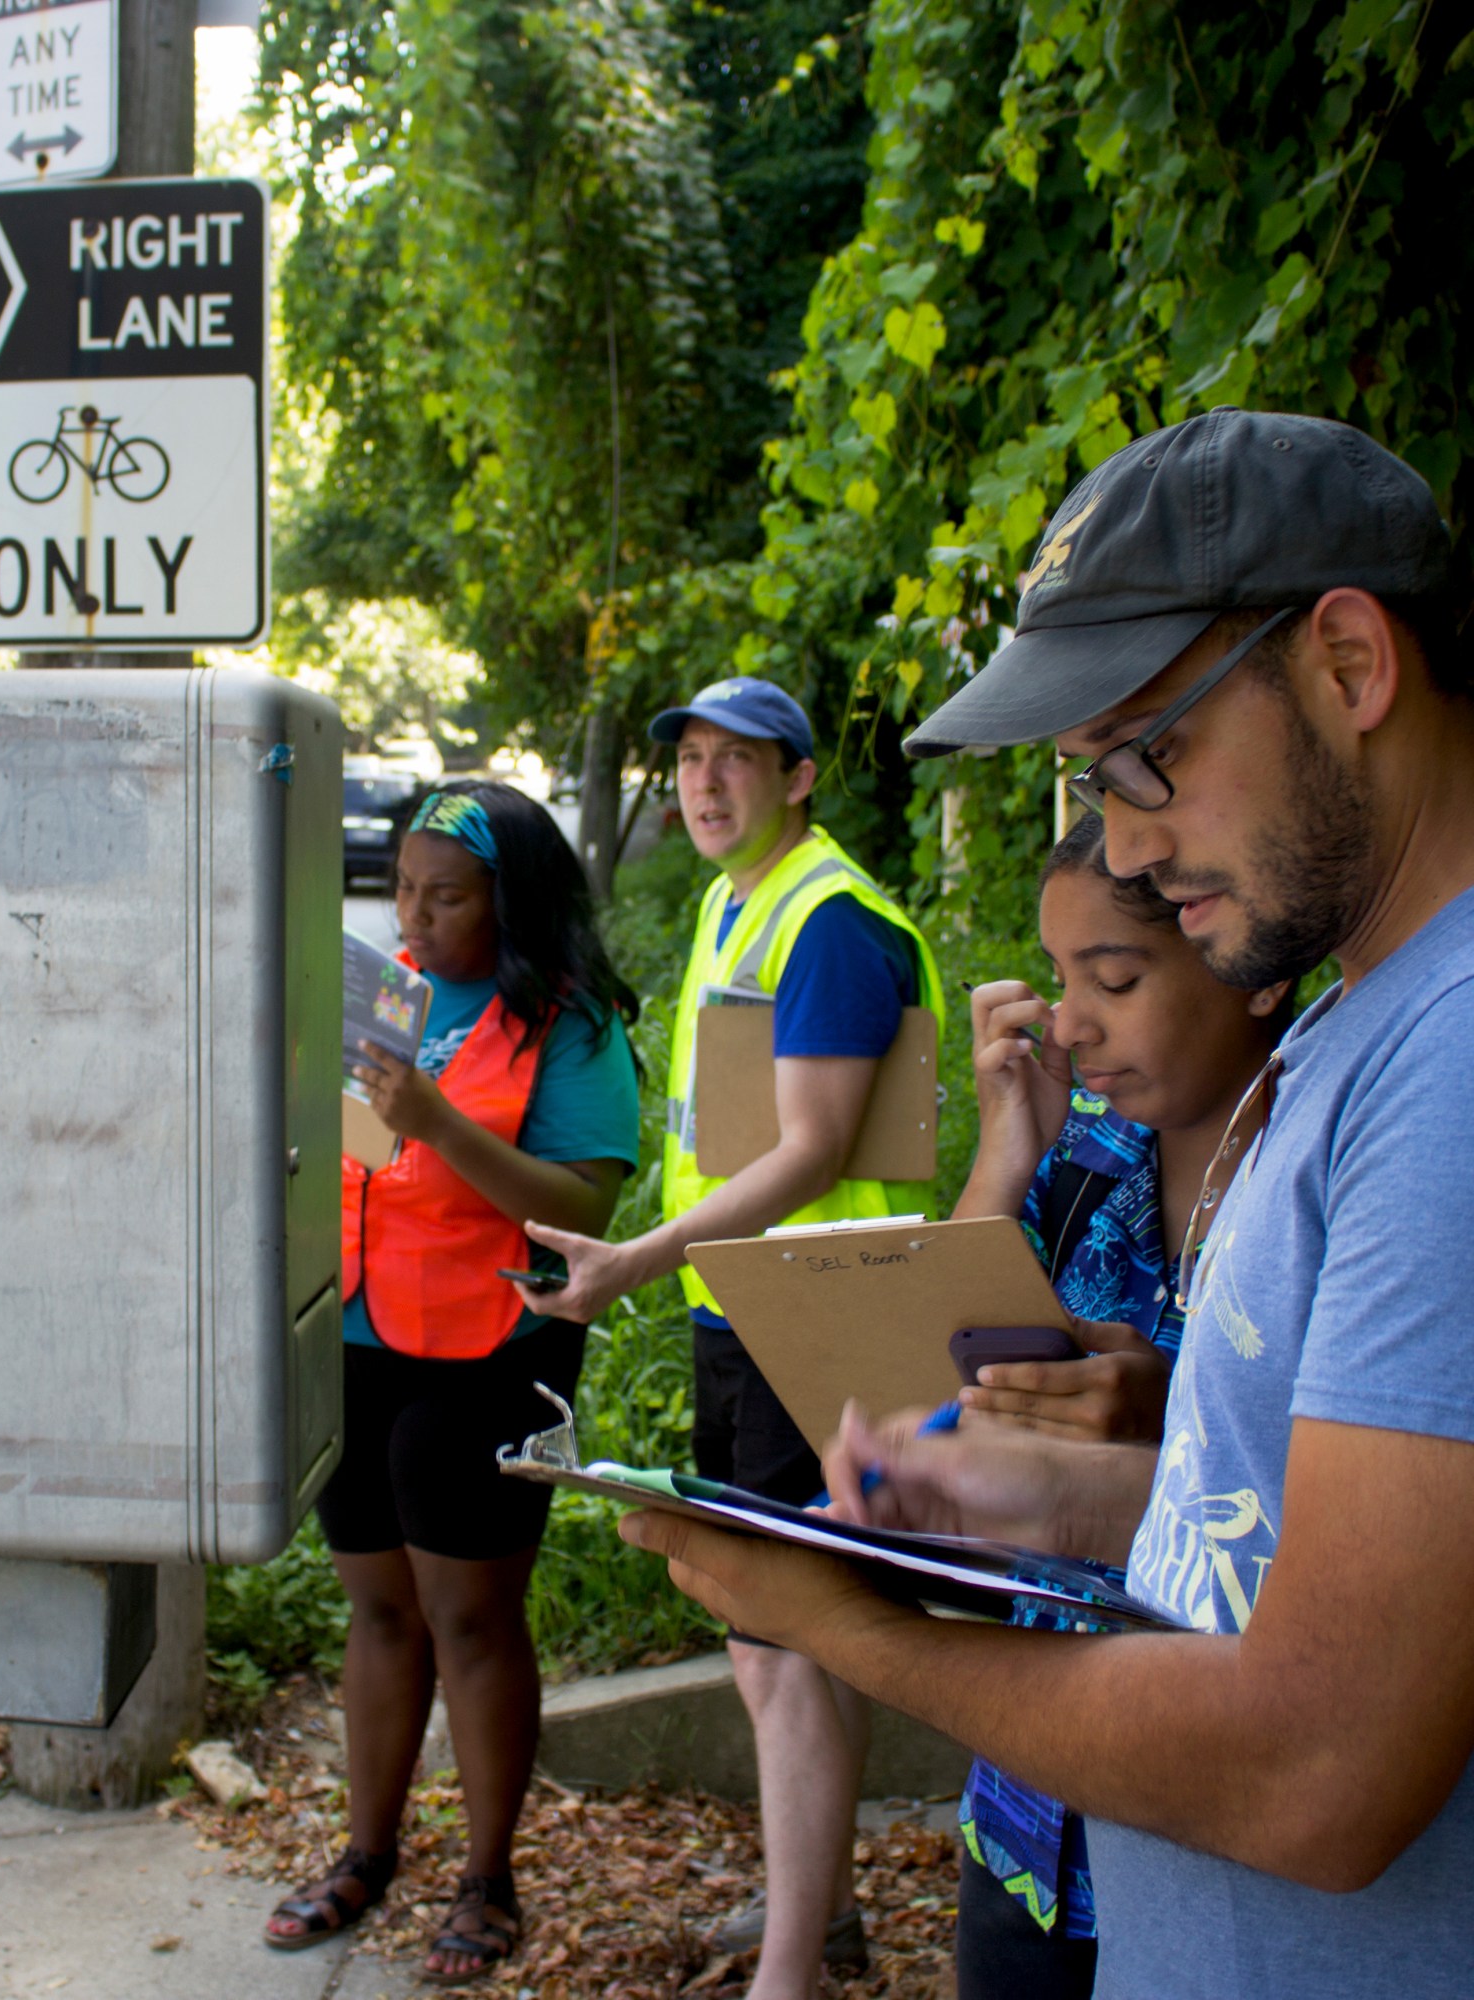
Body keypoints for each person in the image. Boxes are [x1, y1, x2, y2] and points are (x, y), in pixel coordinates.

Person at [617, 407, 1474, 2000]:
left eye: (1149, 756)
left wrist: (851, 1628)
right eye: (1095, 779)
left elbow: (1325, 1768)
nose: (1131, 842)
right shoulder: (1366, 1024)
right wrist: (1026, 1498)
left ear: (1352, 666)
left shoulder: (1453, 1064)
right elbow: (1255, 1544)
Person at [523, 678, 942, 1997]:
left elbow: (814, 1151)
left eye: (737, 763)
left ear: (801, 776)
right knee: (787, 1637)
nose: (706, 786)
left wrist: (639, 1261)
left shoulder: (825, 923)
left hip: (817, 1310)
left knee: (783, 1639)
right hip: (759, 1307)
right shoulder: (738, 901)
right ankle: (812, 1911)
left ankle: (792, 1967)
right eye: (691, 762)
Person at [263, 781, 640, 1985]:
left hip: (489, 1348)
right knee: (376, 1610)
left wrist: (430, 1118)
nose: (415, 917)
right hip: (360, 1335)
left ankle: (487, 1876)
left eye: (447, 895)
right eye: (404, 890)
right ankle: (367, 1850)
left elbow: (582, 1205)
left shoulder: (567, 1021)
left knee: (469, 1616)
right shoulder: (383, 991)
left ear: (511, 898)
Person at [951, 814, 1290, 1997]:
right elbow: (930, 1379)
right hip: (1027, 1800)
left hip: (1213, 1814)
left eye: (1112, 976)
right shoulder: (1089, 1159)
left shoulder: (1320, 1174)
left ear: (1249, 963)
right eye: (1056, 979)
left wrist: (1173, 1419)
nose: (1069, 1021)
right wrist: (1007, 1151)